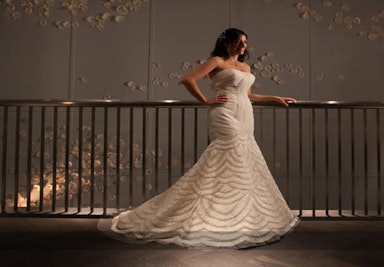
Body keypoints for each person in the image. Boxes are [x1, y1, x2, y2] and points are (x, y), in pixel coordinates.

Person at [111, 28, 299, 249]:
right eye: (238, 42)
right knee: (229, 155)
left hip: (245, 113)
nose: (242, 46)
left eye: (245, 43)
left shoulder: (246, 67)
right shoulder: (216, 61)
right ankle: (209, 214)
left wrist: (273, 97)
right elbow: (188, 79)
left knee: (244, 160)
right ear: (227, 43)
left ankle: (236, 214)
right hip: (224, 112)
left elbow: (249, 95)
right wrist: (205, 100)